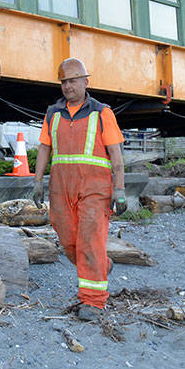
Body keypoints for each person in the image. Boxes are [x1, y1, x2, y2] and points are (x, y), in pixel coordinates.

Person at [30, 57, 127, 321]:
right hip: (61, 188)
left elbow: (116, 154)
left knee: (90, 241)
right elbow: (45, 148)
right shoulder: (53, 113)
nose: (68, 86)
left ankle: (93, 301)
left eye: (73, 81)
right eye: (64, 82)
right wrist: (38, 182)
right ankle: (102, 267)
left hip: (95, 188)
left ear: (86, 81)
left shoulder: (102, 112)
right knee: (69, 242)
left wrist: (119, 189)